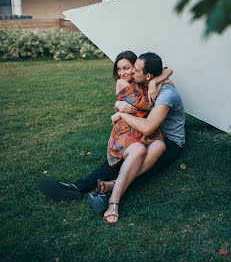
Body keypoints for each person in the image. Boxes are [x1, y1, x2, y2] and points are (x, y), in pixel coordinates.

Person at [39, 51, 185, 223]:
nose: (126, 72)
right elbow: (145, 99)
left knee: (146, 163)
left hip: (167, 139)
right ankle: (78, 187)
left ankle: (109, 190)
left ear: (146, 74)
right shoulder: (137, 82)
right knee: (128, 158)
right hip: (143, 130)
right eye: (121, 69)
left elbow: (148, 121)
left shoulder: (163, 91)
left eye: (131, 69)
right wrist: (120, 104)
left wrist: (122, 112)